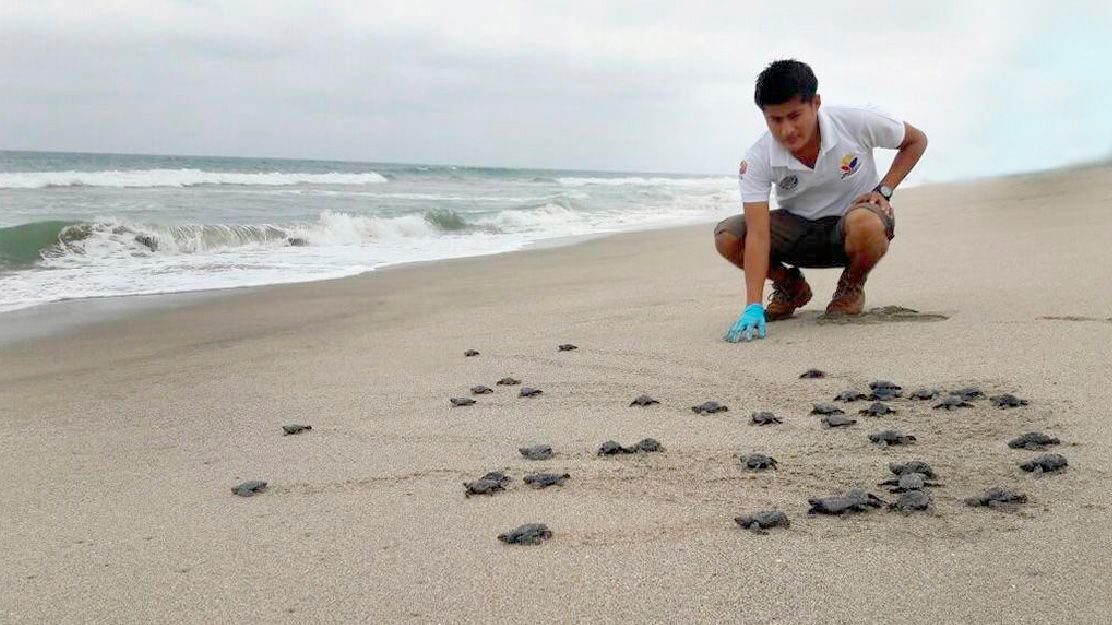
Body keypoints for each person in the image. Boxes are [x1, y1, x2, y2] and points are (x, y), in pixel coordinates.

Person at [716, 59, 928, 342]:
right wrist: (752, 305)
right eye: (775, 120)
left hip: (853, 227)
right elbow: (757, 233)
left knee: (866, 221)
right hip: (800, 233)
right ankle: (790, 287)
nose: (787, 130)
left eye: (794, 116)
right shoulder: (757, 157)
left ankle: (851, 285)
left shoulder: (855, 122)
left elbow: (916, 141)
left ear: (815, 103)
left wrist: (884, 190)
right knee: (728, 235)